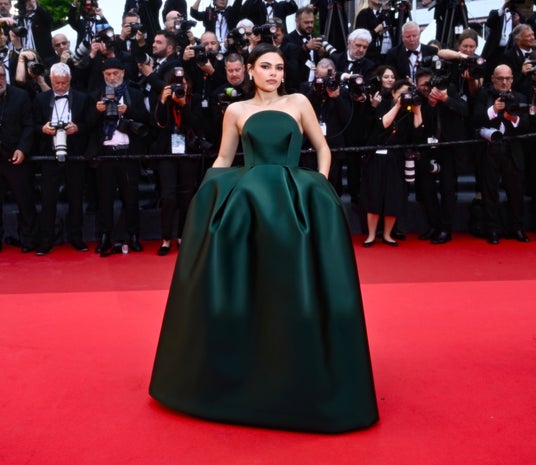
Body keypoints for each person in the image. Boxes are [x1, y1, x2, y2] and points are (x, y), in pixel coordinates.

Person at [150, 43, 378, 433]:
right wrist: (206, 198)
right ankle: (249, 371)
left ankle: (298, 370)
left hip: (295, 204)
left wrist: (319, 187)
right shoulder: (236, 110)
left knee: (293, 286)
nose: (273, 73)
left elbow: (323, 149)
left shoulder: (299, 102)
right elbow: (225, 158)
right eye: (266, 66)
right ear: (250, 70)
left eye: (279, 67)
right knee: (255, 284)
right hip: (250, 205)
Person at [32, 62, 90, 255]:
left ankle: (77, 238)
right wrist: (43, 129)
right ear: (50, 80)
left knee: (76, 198)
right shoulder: (40, 99)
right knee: (48, 200)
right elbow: (32, 125)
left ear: (70, 80)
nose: (60, 86)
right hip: (49, 156)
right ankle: (45, 241)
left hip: (75, 155)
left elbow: (90, 124)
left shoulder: (82, 98)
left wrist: (77, 128)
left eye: (64, 83)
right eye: (57, 83)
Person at [362, 78, 423, 247]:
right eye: (402, 93)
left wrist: (417, 112)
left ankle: (388, 235)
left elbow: (418, 135)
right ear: (394, 92)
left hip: (397, 159)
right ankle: (371, 235)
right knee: (374, 196)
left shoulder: (410, 110)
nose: (406, 96)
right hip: (377, 158)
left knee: (393, 197)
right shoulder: (383, 104)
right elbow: (383, 125)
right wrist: (397, 105)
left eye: (408, 93)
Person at [472, 64, 530, 244]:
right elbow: (475, 119)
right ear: (493, 79)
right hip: (489, 150)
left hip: (512, 151)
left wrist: (512, 118)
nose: (504, 82)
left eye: (507, 78)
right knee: (490, 193)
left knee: (516, 192)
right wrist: (493, 110)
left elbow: (527, 124)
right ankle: (492, 230)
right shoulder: (483, 95)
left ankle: (517, 228)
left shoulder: (520, 97)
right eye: (500, 78)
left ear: (512, 79)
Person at [0, 63, 37, 252]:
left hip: (16, 158)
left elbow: (29, 125)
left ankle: (28, 240)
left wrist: (22, 149)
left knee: (25, 201)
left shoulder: (20, 96)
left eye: (1, 75)